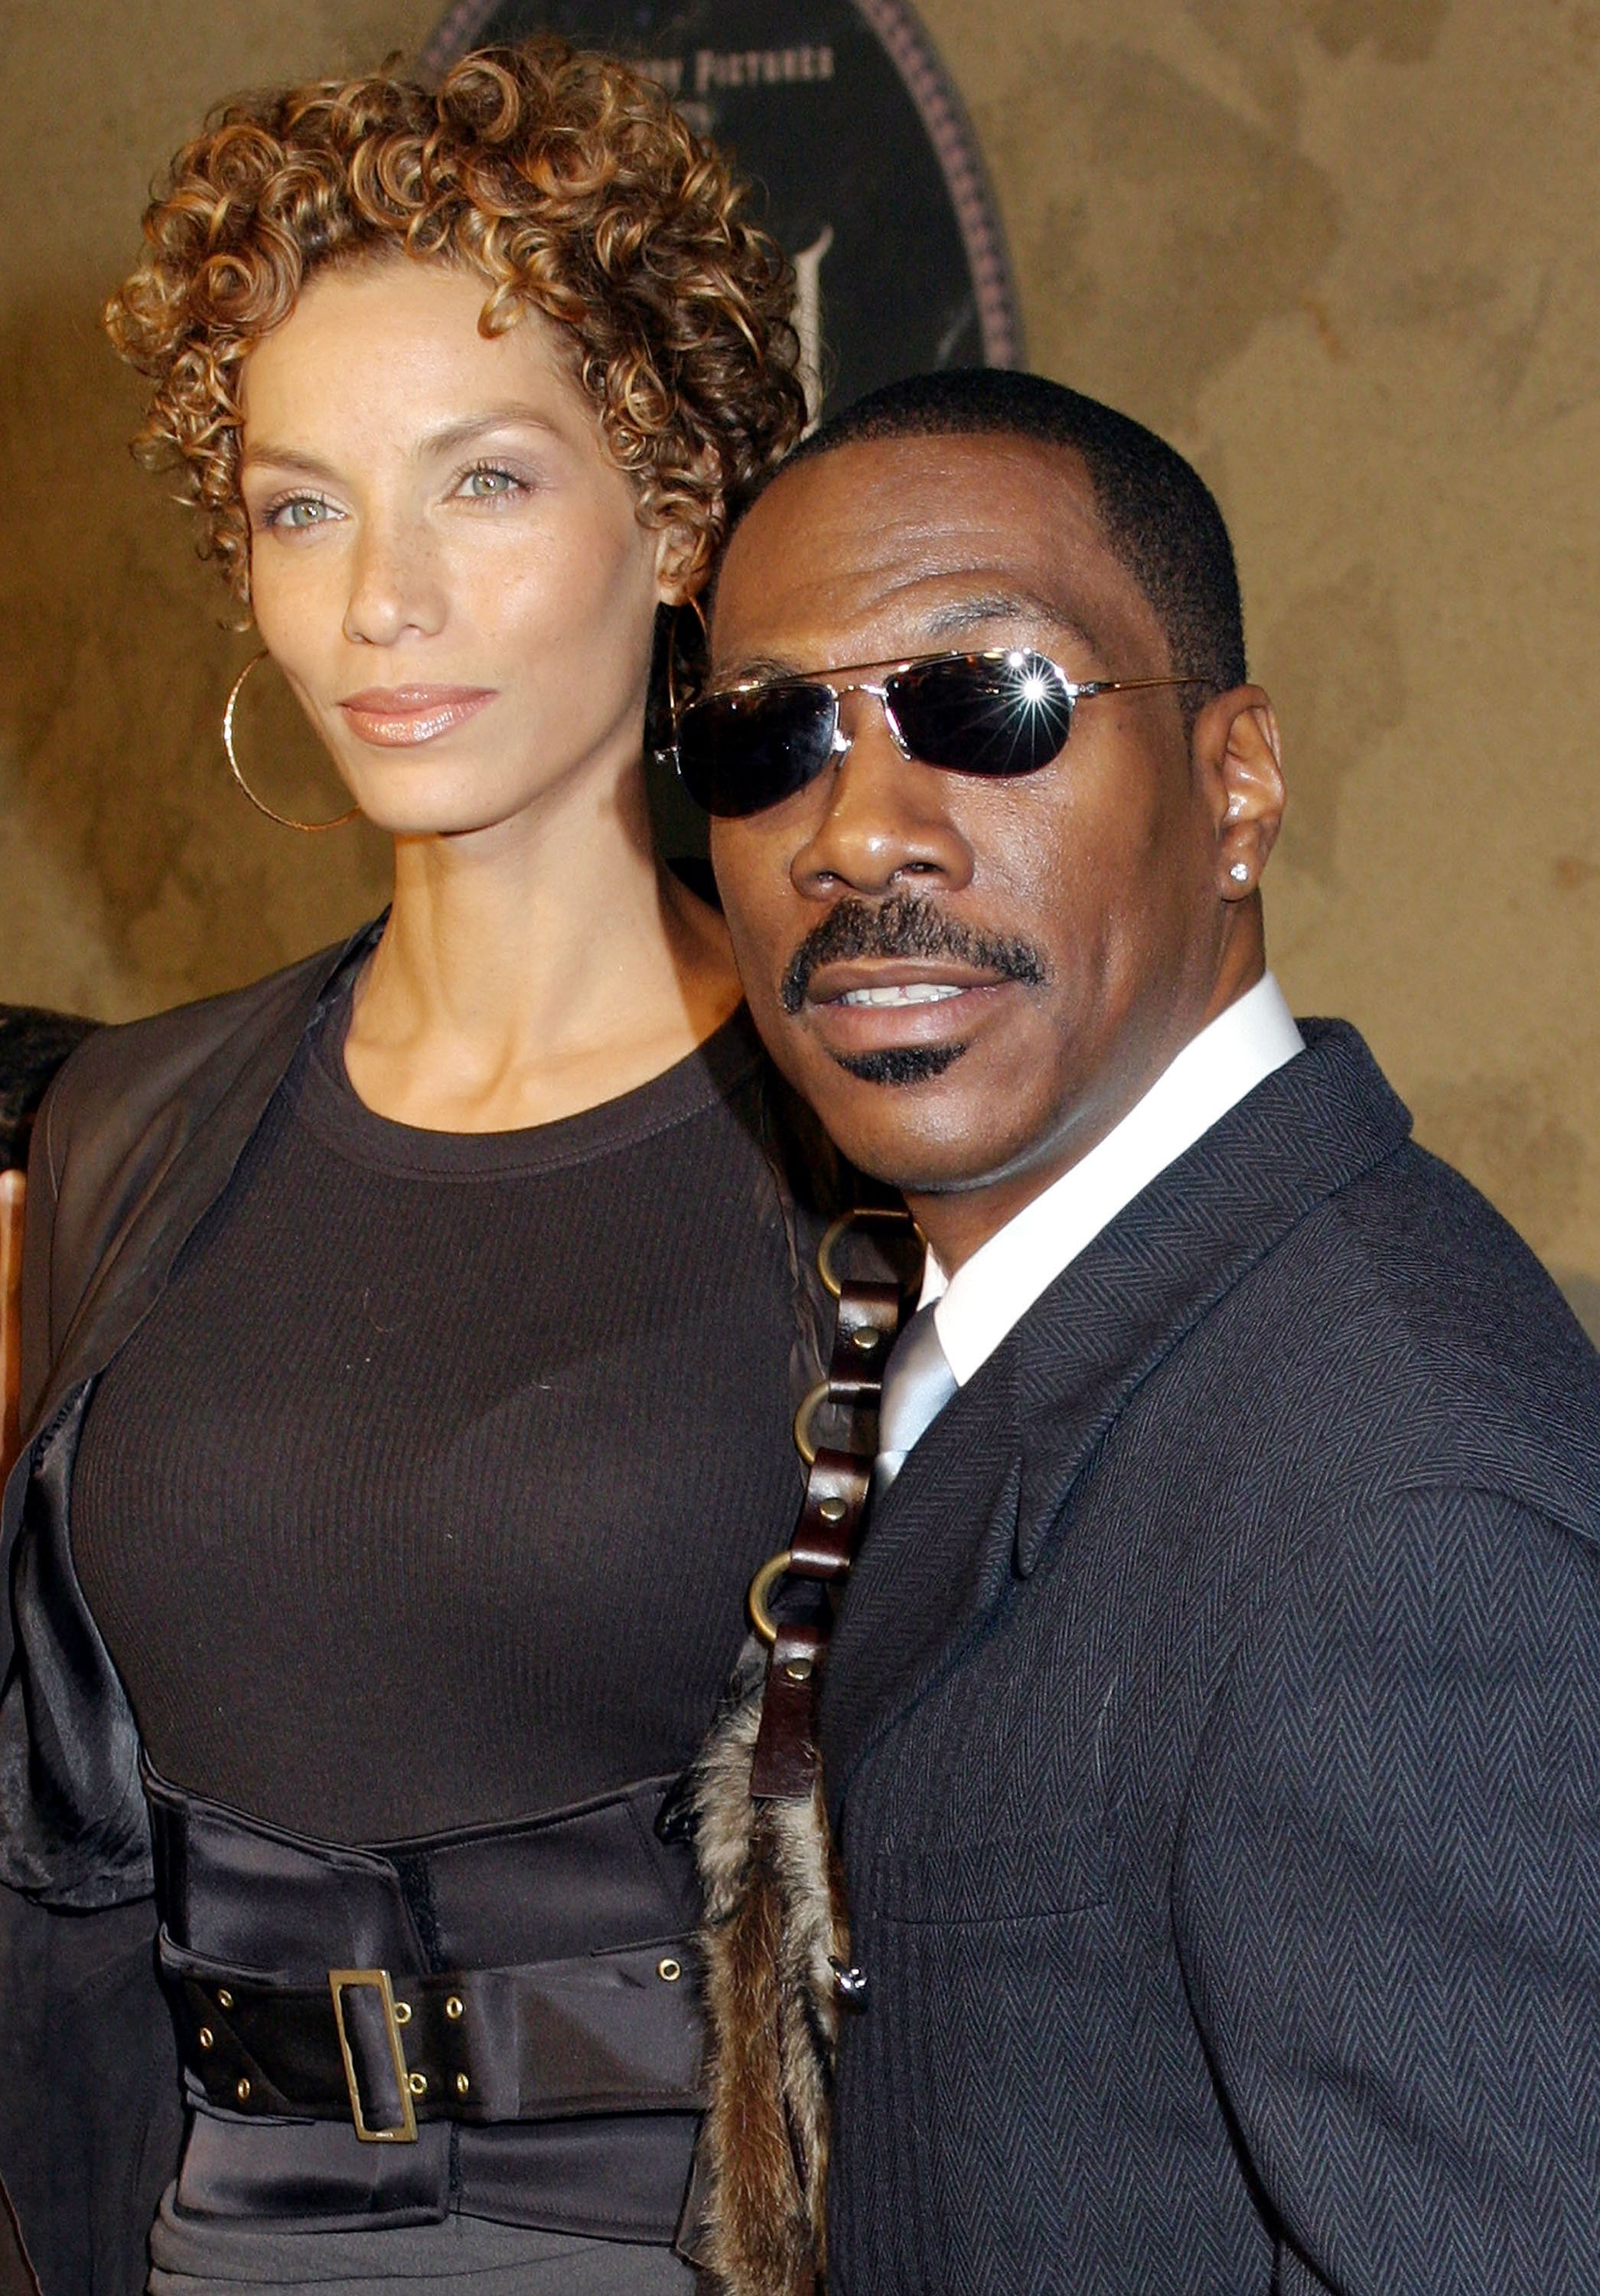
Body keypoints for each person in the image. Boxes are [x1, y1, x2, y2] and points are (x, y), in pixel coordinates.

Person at [0, 41, 820, 2296]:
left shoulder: (868, 1157)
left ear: (672, 516)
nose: (379, 599)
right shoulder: (128, 1137)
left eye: (478, 483)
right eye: (298, 504)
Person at [680, 367, 1600, 2294]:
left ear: (1236, 779)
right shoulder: (1010, 1339)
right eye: (768, 739)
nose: (856, 833)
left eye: (984, 703)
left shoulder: (1397, 1510)